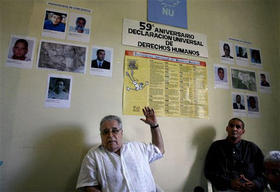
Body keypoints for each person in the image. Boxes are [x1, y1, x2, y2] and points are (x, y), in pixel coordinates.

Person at [76, 107, 164, 192]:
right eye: (105, 132)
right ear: (101, 135)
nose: (110, 135)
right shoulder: (93, 155)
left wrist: (154, 126)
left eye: (114, 131)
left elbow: (159, 150)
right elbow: (89, 185)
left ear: (121, 133)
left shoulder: (137, 148)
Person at [204, 118, 265, 192]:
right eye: (231, 126)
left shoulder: (252, 148)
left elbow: (264, 171)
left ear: (243, 131)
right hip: (225, 188)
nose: (234, 129)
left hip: (250, 189)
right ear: (227, 129)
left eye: (238, 127)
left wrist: (255, 183)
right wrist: (229, 183)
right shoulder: (216, 147)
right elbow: (208, 171)